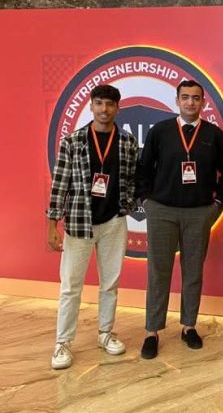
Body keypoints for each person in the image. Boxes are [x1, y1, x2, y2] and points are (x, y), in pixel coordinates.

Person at [136, 80, 223, 359]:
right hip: (162, 210)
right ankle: (152, 331)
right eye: (186, 97)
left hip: (198, 213)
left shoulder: (214, 135)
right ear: (177, 100)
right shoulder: (160, 131)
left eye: (196, 98)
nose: (191, 102)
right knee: (158, 272)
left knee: (193, 272)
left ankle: (189, 326)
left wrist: (217, 204)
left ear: (203, 102)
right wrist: (146, 201)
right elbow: (144, 169)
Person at [46, 85, 138, 369]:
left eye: (109, 104)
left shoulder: (127, 141)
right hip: (79, 222)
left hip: (114, 222)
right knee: (70, 286)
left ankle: (105, 333)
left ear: (118, 107)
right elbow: (59, 184)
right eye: (99, 103)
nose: (104, 109)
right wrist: (52, 224)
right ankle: (63, 343)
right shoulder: (73, 141)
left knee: (110, 283)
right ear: (91, 105)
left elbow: (133, 178)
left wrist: (127, 205)